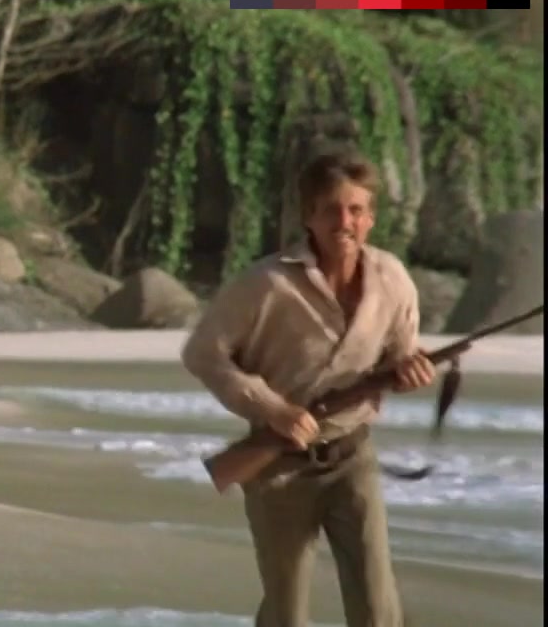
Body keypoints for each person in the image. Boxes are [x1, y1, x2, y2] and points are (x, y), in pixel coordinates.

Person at [181, 151, 437, 627]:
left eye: (357, 210)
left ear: (371, 217)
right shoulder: (265, 283)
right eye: (332, 210)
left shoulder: (393, 279)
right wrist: (272, 409)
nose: (345, 222)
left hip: (352, 455)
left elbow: (400, 356)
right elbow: (202, 353)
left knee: (379, 609)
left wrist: (412, 372)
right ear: (309, 216)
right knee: (287, 613)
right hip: (278, 463)